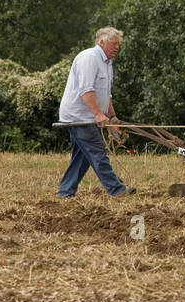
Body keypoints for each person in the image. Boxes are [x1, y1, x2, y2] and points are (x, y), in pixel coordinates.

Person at [56, 27, 135, 198]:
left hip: (89, 115)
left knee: (82, 157)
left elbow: (105, 95)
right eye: (113, 44)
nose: (117, 47)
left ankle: (65, 191)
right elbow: (87, 90)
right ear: (101, 42)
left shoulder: (107, 63)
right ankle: (117, 189)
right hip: (79, 116)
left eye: (118, 45)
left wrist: (112, 116)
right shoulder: (89, 58)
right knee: (98, 151)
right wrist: (98, 114)